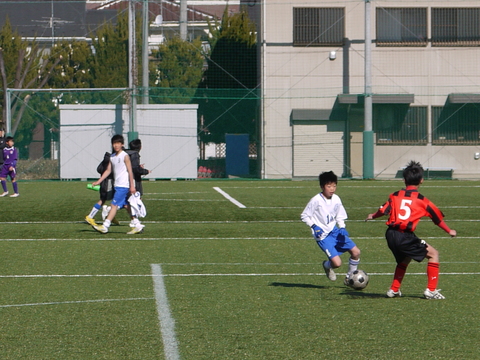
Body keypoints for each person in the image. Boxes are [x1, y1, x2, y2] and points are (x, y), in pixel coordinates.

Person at [366, 160, 457, 300]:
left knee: (404, 259)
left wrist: (372, 216)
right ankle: (431, 290)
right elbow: (437, 218)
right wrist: (449, 230)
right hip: (404, 235)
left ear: (404, 180)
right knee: (433, 254)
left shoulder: (394, 195)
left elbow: (383, 210)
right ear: (422, 180)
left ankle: (394, 289)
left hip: (390, 234)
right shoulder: (422, 200)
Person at [301, 171, 361, 284]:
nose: (332, 189)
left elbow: (340, 215)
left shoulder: (336, 199)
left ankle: (349, 278)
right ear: (322, 186)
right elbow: (305, 216)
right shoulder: (316, 200)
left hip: (335, 231)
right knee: (337, 264)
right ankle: (326, 265)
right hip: (323, 236)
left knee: (356, 252)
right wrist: (314, 226)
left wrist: (342, 227)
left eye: (334, 186)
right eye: (329, 186)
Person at [91, 134, 138, 234]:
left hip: (123, 185)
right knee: (126, 205)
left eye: (118, 143)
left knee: (113, 205)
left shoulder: (125, 156)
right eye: (114, 143)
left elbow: (130, 171)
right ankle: (137, 224)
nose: (116, 145)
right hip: (117, 185)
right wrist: (98, 181)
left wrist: (132, 186)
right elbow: (108, 171)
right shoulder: (112, 157)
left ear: (122, 144)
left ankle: (105, 226)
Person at [85, 151, 118, 226]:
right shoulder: (111, 161)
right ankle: (91, 216)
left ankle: (110, 215)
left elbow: (99, 169)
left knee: (105, 199)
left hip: (104, 182)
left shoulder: (104, 162)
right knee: (112, 199)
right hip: (108, 183)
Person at [126, 138, 150, 231]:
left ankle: (134, 220)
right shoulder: (135, 155)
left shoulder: (127, 153)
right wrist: (145, 171)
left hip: (126, 180)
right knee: (134, 201)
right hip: (133, 181)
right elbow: (135, 170)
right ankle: (135, 221)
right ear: (140, 147)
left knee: (127, 201)